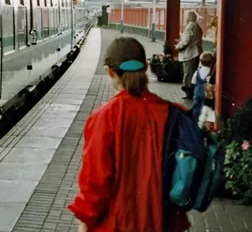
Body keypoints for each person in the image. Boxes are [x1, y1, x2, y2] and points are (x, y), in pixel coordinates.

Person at [68, 37, 190, 232]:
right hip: (165, 223)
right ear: (146, 66)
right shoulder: (172, 112)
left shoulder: (104, 117)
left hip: (118, 224)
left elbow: (95, 182)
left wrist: (84, 224)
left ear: (110, 71)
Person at [175, 10, 203, 100]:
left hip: (190, 53)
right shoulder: (197, 26)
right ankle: (192, 91)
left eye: (186, 16)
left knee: (188, 73)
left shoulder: (190, 26)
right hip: (196, 52)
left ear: (188, 17)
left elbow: (186, 41)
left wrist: (178, 46)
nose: (185, 18)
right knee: (193, 72)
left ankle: (189, 93)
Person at [190, 52, 215, 122]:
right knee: (205, 106)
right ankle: (203, 120)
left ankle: (194, 119)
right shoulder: (211, 72)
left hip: (197, 91)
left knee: (195, 105)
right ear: (211, 63)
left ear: (200, 62)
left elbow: (193, 82)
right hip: (207, 92)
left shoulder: (197, 71)